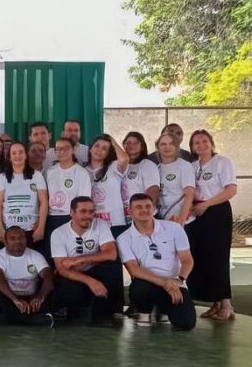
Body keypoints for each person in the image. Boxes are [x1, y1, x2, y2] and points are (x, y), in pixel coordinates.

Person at [116, 194, 196, 330]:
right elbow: (134, 269)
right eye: (138, 207)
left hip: (175, 284)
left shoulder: (174, 228)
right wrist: (165, 283)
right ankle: (144, 312)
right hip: (148, 284)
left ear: (153, 209)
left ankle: (163, 310)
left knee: (186, 323)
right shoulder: (123, 238)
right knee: (139, 290)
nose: (144, 210)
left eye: (148, 206)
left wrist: (178, 280)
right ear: (130, 211)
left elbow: (187, 260)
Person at [187, 129, 238, 321]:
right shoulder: (192, 166)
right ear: (192, 147)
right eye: (197, 142)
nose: (201, 145)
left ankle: (226, 304)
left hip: (216, 212)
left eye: (204, 141)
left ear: (211, 143)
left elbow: (231, 190)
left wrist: (206, 205)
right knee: (202, 257)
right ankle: (215, 304)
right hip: (196, 216)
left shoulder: (222, 162)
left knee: (218, 257)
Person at [49, 196, 124, 323]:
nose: (88, 215)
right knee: (70, 290)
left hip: (93, 268)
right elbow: (62, 268)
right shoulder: (58, 233)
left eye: (91, 211)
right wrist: (90, 281)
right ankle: (72, 311)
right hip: (73, 274)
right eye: (83, 211)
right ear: (72, 213)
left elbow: (111, 253)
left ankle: (113, 310)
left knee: (113, 266)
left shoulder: (100, 224)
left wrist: (78, 260)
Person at [0, 226, 56, 326]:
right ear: (5, 241)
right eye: (12, 238)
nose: (17, 241)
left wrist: (40, 296)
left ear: (26, 239)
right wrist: (15, 299)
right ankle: (30, 320)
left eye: (21, 237)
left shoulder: (36, 255)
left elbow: (48, 276)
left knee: (52, 288)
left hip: (32, 299)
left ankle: (11, 319)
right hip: (9, 298)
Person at [0, 142, 49, 247]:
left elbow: (44, 201)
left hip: (32, 229)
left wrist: (41, 227)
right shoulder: (2, 177)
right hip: (9, 229)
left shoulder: (36, 175)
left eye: (20, 152)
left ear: (26, 155)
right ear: (9, 157)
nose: (17, 155)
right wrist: (0, 229)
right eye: (14, 153)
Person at [43, 137, 92, 245]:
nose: (61, 152)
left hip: (71, 218)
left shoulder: (81, 172)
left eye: (65, 148)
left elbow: (84, 201)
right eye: (58, 149)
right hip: (52, 219)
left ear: (73, 149)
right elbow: (44, 197)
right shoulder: (49, 172)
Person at [85, 134, 129, 237]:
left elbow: (124, 159)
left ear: (108, 153)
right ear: (90, 149)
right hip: (92, 222)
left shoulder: (113, 167)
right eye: (97, 146)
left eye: (104, 148)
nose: (99, 150)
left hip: (115, 222)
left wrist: (112, 141)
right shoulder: (82, 171)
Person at [155, 133, 196, 225]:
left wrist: (181, 220)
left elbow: (189, 194)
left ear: (177, 147)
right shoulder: (157, 168)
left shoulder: (184, 166)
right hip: (163, 220)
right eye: (163, 144)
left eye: (171, 144)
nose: (167, 147)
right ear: (158, 148)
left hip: (182, 221)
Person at [122, 131, 161, 221]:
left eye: (135, 143)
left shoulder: (147, 165)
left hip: (142, 216)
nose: (131, 145)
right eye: (128, 143)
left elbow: (153, 191)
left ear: (142, 146)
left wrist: (145, 212)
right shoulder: (120, 166)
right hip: (125, 216)